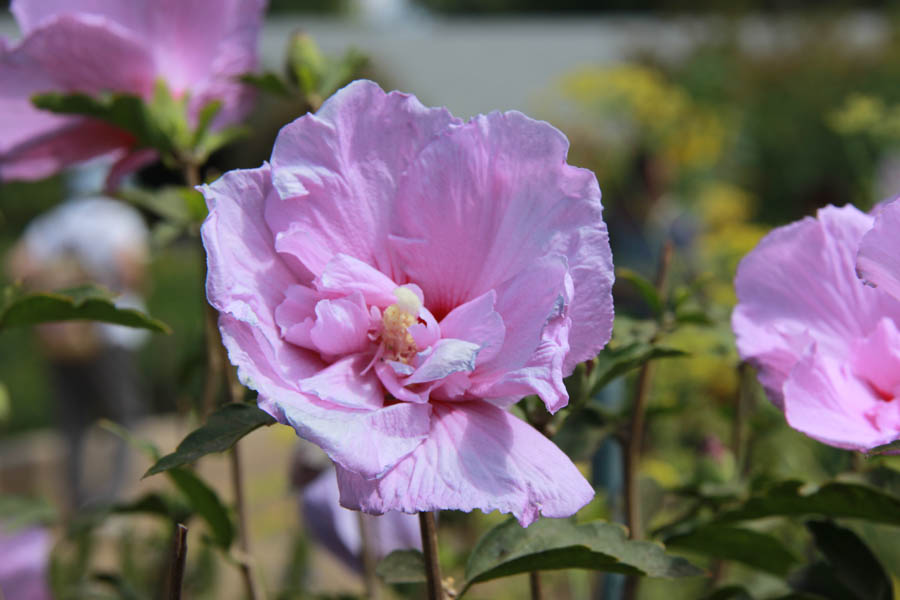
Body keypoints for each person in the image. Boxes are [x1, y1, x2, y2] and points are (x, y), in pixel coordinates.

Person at [7, 160, 150, 508]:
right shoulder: (119, 219)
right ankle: (115, 497)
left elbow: (18, 265)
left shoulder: (55, 221)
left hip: (61, 339)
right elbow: (132, 273)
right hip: (113, 333)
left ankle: (76, 498)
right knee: (124, 415)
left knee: (71, 419)